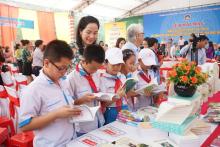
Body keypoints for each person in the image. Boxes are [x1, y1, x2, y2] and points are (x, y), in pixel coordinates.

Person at [19, 40, 82, 146]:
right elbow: (24, 126)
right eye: (61, 68)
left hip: (71, 141)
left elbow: (64, 107)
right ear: (46, 63)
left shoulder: (63, 82)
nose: (64, 72)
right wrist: (56, 114)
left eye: (67, 68)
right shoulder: (33, 90)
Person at [67, 44, 105, 136]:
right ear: (84, 61)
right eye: (93, 68)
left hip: (99, 120)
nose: (95, 71)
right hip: (83, 127)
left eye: (98, 68)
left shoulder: (97, 74)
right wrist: (81, 100)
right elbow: (67, 105)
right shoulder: (71, 79)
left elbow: (100, 91)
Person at [100, 48, 128, 124]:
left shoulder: (122, 76)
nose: (116, 67)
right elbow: (102, 104)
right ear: (105, 63)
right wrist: (117, 96)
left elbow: (125, 95)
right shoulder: (102, 79)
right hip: (110, 111)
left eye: (118, 64)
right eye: (113, 64)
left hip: (124, 109)